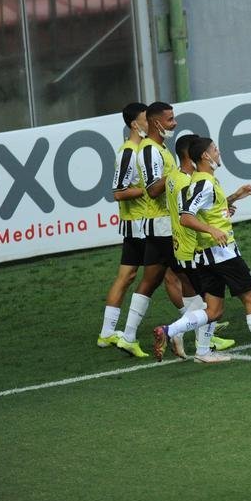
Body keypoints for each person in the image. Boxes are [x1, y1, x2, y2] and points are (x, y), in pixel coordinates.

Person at [154, 137, 251, 372]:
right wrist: (211, 230)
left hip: (205, 255)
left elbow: (209, 209)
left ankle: (169, 331)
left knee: (214, 310)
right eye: (215, 149)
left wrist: (236, 196)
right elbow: (186, 216)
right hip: (222, 254)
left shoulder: (201, 181)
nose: (218, 152)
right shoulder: (204, 183)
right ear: (205, 156)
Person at [97, 102, 161, 358]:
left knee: (128, 276)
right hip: (139, 224)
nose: (151, 122)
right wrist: (150, 188)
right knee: (166, 276)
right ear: (135, 124)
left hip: (139, 223)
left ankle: (106, 333)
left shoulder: (141, 149)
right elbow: (118, 192)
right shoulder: (129, 152)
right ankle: (201, 326)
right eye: (147, 118)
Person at [164, 133, 235, 363]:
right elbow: (191, 216)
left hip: (179, 245)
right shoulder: (191, 182)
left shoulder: (174, 177)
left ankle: (189, 336)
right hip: (195, 245)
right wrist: (213, 228)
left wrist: (231, 202)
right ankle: (186, 336)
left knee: (197, 296)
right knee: (210, 302)